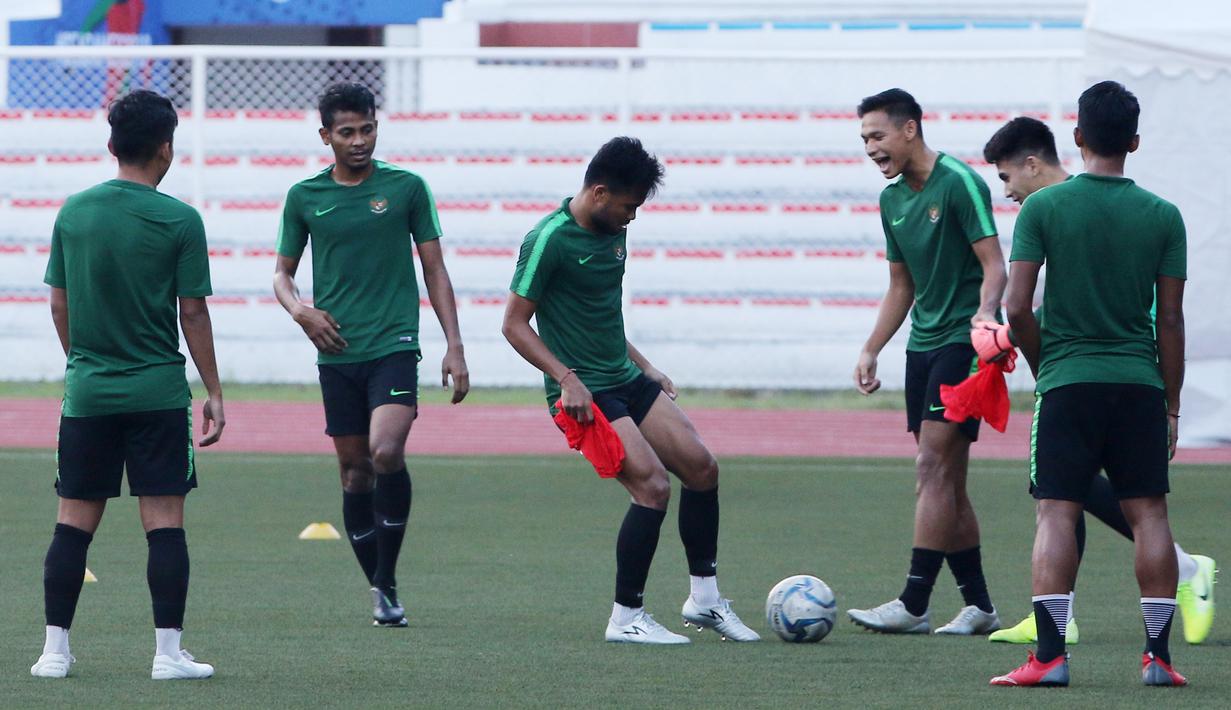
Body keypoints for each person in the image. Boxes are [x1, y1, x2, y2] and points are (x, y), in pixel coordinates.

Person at [502, 136, 759, 644]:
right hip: (582, 395)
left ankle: (704, 601)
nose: (633, 217)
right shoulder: (549, 239)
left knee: (702, 468)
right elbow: (513, 325)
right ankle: (626, 617)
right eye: (629, 206)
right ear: (599, 192)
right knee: (652, 487)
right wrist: (566, 379)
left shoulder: (613, 232)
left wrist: (646, 366)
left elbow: (600, 316)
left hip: (624, 377)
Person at [981, 117, 1216, 647]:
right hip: (1138, 378)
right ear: (1134, 141)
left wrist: (1045, 367)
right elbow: (1170, 318)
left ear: (1078, 138)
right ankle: (1156, 655)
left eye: (1004, 177)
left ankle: (1052, 646)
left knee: (1055, 506)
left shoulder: (1045, 210)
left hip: (1071, 375)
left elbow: (1018, 307)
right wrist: (1172, 403)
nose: (1007, 188)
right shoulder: (1162, 214)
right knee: (1148, 509)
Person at [32, 89, 224, 680]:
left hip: (89, 393)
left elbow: (59, 304)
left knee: (72, 522)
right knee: (164, 521)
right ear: (166, 148)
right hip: (158, 394)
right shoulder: (180, 219)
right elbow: (192, 312)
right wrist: (214, 391)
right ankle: (168, 655)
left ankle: (54, 652)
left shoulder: (74, 212)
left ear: (112, 145)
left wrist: (84, 363)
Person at [273, 82, 469, 628]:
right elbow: (282, 275)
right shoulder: (305, 197)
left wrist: (453, 343)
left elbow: (434, 269)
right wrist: (301, 312)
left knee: (385, 452)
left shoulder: (406, 188)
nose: (359, 141)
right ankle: (381, 586)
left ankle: (386, 578)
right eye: (347, 132)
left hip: (394, 345)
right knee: (355, 472)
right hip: (337, 353)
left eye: (367, 129)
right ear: (325, 136)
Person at [847, 88, 1006, 635]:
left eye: (877, 135)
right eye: (864, 138)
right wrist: (872, 346)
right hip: (922, 347)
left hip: (963, 345)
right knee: (949, 482)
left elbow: (995, 264)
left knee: (930, 469)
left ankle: (914, 602)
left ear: (910, 128)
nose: (870, 147)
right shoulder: (891, 201)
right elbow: (901, 284)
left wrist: (985, 315)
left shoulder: (959, 182)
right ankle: (981, 606)